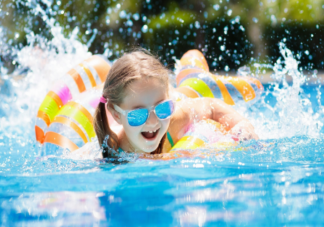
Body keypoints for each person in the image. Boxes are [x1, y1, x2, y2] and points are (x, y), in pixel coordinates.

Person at [93, 49, 258, 158]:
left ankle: (198, 74)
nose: (153, 121)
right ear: (116, 115)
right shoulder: (111, 151)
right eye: (138, 114)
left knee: (196, 87)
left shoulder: (172, 122)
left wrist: (241, 124)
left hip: (183, 97)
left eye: (162, 108)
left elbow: (209, 106)